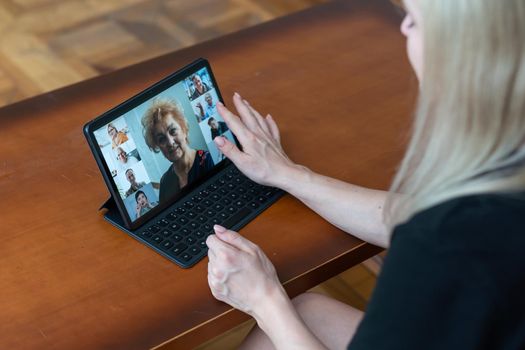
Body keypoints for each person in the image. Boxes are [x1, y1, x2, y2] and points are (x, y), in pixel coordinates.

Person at [205, 0, 525, 349]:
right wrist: (289, 174)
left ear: (459, 52)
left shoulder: (443, 248)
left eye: (415, 21)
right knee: (309, 312)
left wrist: (264, 299)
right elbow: (419, 218)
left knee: (283, 317)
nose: (403, 27)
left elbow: (441, 231)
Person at [142, 99, 214, 203]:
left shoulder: (207, 160)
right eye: (162, 139)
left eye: (173, 131)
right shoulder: (165, 181)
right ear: (158, 146)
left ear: (184, 129)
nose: (170, 142)